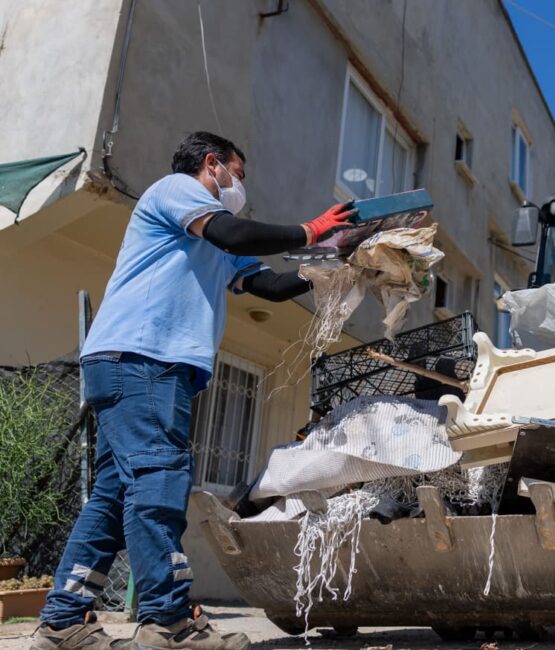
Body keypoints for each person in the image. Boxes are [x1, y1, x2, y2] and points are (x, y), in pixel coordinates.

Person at [33, 132, 357, 650]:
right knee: (159, 483)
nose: (240, 188)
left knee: (117, 496)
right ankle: (169, 622)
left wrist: (337, 261)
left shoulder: (211, 240)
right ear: (213, 165)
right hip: (144, 360)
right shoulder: (177, 191)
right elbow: (234, 233)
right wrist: (309, 229)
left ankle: (62, 622)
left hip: (136, 364)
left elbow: (269, 286)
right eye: (239, 174)